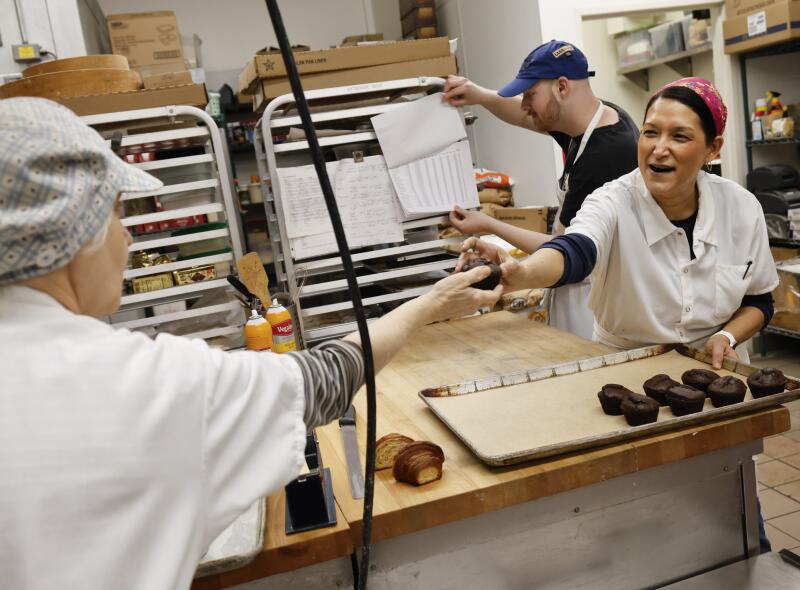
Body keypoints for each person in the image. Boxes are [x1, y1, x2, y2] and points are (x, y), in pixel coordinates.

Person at [0, 97, 502, 590]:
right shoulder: (144, 382)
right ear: (75, 228)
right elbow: (325, 380)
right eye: (115, 213)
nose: (127, 238)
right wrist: (432, 302)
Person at [460, 76, 777, 552]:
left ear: (713, 148)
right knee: (641, 525)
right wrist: (518, 273)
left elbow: (760, 300)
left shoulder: (741, 208)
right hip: (630, 387)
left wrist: (727, 337)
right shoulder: (612, 200)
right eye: (650, 132)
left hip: (717, 387)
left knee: (732, 512)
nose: (659, 149)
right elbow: (575, 250)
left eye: (679, 136)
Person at [443, 39, 639, 340]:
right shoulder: (595, 118)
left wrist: (488, 224)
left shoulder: (604, 156)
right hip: (579, 289)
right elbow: (527, 117)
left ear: (562, 87)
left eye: (530, 94)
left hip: (593, 301)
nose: (524, 104)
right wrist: (478, 95)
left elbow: (559, 248)